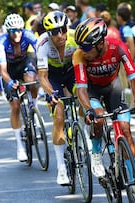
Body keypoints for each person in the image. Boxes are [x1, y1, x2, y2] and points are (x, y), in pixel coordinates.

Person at [73, 18, 135, 200]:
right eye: (81, 47)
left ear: (100, 43)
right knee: (99, 117)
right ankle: (97, 153)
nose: (83, 51)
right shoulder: (79, 55)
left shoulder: (118, 47)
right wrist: (88, 109)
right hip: (92, 91)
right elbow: (81, 89)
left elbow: (134, 78)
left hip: (113, 88)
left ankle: (134, 184)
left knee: (125, 130)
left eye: (86, 47)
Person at [36, 11, 78, 185]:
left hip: (71, 71)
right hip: (52, 77)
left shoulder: (75, 37)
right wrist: (52, 94)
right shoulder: (43, 44)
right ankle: (61, 168)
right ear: (48, 33)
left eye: (63, 29)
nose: (60, 35)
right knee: (59, 115)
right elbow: (43, 77)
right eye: (55, 32)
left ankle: (82, 132)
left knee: (84, 97)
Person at [0, 13, 39, 161]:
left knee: (31, 80)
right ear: (8, 31)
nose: (17, 33)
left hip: (24, 62)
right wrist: (9, 82)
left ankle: (34, 106)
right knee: (15, 106)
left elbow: (41, 50)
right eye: (13, 31)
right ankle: (20, 145)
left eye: (20, 30)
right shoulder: (2, 42)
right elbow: (2, 70)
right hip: (9, 69)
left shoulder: (28, 35)